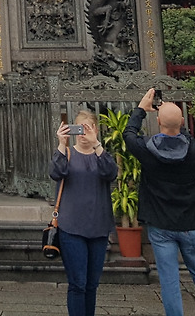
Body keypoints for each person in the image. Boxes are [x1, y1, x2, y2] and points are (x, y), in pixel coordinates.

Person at [123, 88, 195, 316]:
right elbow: (184, 135)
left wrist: (140, 110)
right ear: (182, 122)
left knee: (169, 282)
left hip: (161, 225)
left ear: (158, 122)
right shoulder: (194, 149)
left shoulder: (148, 150)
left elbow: (129, 134)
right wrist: (173, 116)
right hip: (192, 223)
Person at [48, 108, 119, 316]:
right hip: (71, 227)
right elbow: (56, 172)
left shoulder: (101, 155)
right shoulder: (68, 154)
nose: (82, 133)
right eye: (79, 128)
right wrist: (62, 144)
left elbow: (111, 173)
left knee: (92, 284)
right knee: (78, 283)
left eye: (87, 128)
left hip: (98, 226)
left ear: (96, 129)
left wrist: (97, 144)